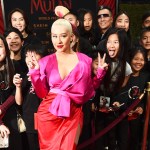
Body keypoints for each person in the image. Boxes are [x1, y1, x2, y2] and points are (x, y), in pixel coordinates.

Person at [27, 18, 108, 150]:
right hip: (48, 114)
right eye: (54, 36)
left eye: (63, 36)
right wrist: (34, 72)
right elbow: (41, 93)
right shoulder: (45, 61)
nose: (58, 41)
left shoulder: (85, 60)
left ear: (71, 37)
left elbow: (89, 91)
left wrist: (99, 75)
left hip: (73, 113)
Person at [93, 28, 132, 150]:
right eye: (109, 41)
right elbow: (93, 83)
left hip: (114, 106)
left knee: (112, 135)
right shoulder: (100, 60)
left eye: (116, 42)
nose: (111, 45)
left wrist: (117, 101)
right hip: (99, 102)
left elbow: (123, 87)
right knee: (99, 135)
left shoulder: (125, 66)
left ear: (122, 44)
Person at [13, 44, 49, 150]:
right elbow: (19, 102)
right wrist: (18, 87)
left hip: (45, 121)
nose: (30, 59)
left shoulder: (47, 76)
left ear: (43, 58)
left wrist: (36, 76)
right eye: (27, 56)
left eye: (33, 55)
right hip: (29, 122)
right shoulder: (24, 77)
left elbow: (45, 97)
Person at [113, 46, 150, 150]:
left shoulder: (145, 77)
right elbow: (118, 96)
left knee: (135, 141)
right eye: (136, 59)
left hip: (137, 116)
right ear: (130, 59)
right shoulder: (123, 75)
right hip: (122, 116)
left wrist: (141, 108)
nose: (139, 62)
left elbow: (144, 97)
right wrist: (122, 107)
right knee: (122, 142)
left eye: (142, 59)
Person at [0, 34, 23, 150]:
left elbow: (15, 95)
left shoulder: (14, 66)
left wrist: (2, 108)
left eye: (0, 46)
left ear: (5, 48)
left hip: (11, 117)